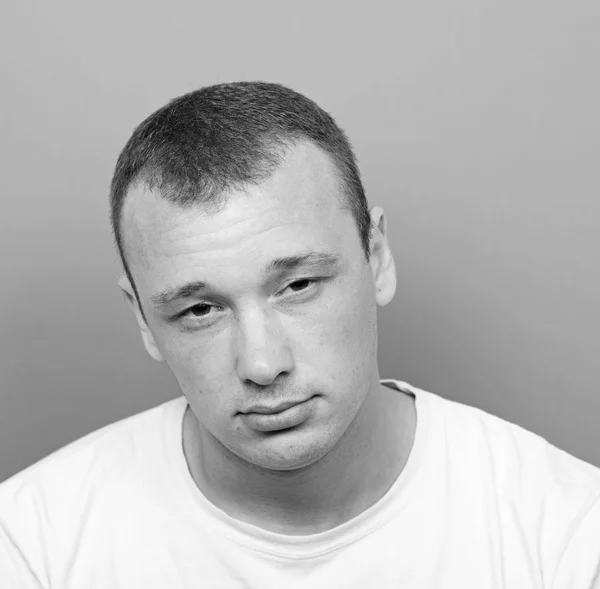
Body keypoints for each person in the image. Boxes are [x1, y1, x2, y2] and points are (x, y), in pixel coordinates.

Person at [1, 81, 599, 589]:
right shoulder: (31, 549)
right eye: (201, 310)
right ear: (142, 319)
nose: (262, 364)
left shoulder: (568, 534)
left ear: (377, 255)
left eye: (298, 286)